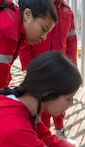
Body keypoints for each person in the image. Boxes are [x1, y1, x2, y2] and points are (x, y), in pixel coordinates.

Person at [19, 0, 77, 138]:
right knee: (43, 103)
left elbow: (71, 40)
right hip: (41, 69)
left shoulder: (67, 11)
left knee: (60, 99)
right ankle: (43, 135)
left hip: (60, 68)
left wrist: (72, 66)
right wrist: (29, 65)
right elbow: (24, 40)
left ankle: (60, 130)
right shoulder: (37, 6)